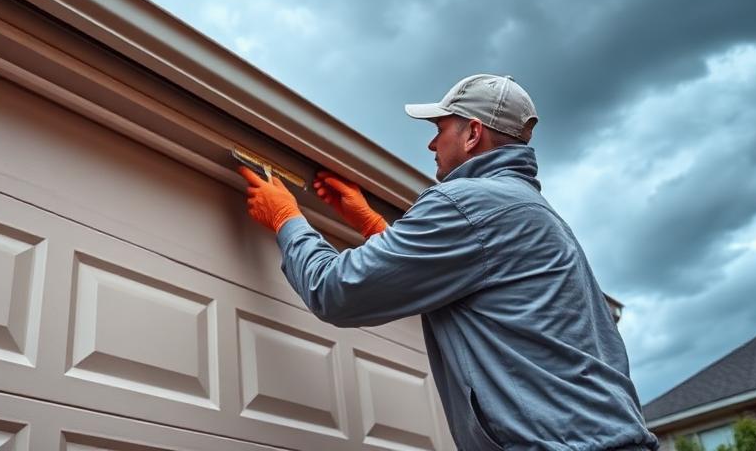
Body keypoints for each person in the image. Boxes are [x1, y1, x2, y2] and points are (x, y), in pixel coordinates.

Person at [238, 74, 658, 451]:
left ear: (473, 133)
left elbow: (335, 292)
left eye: (439, 129)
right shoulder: (531, 211)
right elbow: (452, 273)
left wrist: (286, 220)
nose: (431, 144)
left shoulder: (466, 203)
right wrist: (372, 224)